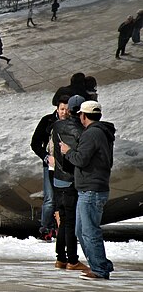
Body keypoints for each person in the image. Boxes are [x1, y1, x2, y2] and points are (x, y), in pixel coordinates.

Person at [60, 101, 115, 280]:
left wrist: (67, 151)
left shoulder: (91, 134)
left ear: (84, 116)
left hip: (91, 190)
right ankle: (100, 264)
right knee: (81, 230)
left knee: (89, 231)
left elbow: (81, 159)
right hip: (92, 188)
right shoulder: (102, 133)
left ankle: (99, 269)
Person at [51, 95, 89, 271]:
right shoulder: (80, 130)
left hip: (58, 178)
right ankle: (73, 260)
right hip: (70, 180)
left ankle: (61, 258)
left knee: (64, 220)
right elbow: (78, 156)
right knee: (71, 222)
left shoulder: (57, 125)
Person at [31, 94, 70, 241]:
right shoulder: (47, 121)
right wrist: (47, 157)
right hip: (51, 166)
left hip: (67, 166)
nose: (64, 113)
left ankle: (62, 228)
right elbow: (35, 143)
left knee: (65, 198)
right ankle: (45, 228)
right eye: (62, 109)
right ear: (57, 108)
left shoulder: (72, 122)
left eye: (67, 109)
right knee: (50, 198)